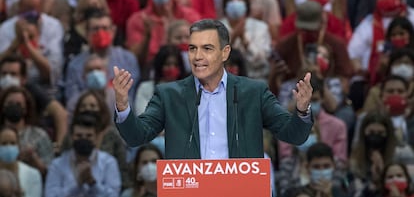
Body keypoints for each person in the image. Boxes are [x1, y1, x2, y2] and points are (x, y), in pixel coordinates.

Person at [113, 19, 314, 159]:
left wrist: (302, 110)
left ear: (225, 52)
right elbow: (137, 136)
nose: (197, 56)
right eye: (193, 48)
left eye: (207, 48)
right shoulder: (169, 95)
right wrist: (123, 107)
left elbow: (293, 135)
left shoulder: (254, 93)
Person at [44, 112, 121, 197]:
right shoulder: (57, 165)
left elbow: (114, 195)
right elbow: (50, 195)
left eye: (89, 136)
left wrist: (92, 182)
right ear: (72, 137)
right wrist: (77, 185)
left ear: (96, 137)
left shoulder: (109, 163)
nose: (84, 139)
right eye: (79, 136)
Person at [0, 126, 42, 197]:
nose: (8, 147)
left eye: (13, 143)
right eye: (4, 144)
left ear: (18, 146)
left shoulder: (33, 174)